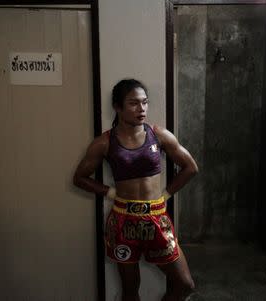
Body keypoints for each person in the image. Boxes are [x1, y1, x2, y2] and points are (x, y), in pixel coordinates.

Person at [73, 79, 198, 301]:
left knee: (184, 284)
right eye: (133, 103)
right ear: (118, 107)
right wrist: (110, 193)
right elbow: (80, 178)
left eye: (145, 103)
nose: (142, 109)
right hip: (123, 221)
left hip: (157, 219)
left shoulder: (159, 134)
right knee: (130, 289)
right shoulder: (104, 142)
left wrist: (166, 194)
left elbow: (191, 168)